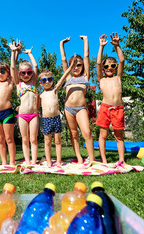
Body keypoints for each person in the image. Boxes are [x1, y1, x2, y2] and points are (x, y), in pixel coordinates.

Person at [60, 36, 95, 164]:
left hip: (81, 109)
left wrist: (86, 40)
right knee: (73, 134)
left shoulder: (85, 77)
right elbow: (63, 60)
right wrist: (61, 44)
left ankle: (92, 159)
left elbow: (86, 56)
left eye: (78, 65)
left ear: (83, 67)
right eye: (73, 65)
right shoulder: (68, 76)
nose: (76, 67)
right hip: (68, 109)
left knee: (87, 132)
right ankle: (79, 158)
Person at [38, 56, 78, 167]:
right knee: (47, 141)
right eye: (44, 80)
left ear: (53, 80)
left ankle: (59, 161)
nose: (47, 82)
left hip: (56, 118)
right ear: (40, 83)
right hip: (46, 119)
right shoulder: (40, 95)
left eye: (49, 79)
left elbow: (64, 76)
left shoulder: (55, 89)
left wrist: (71, 67)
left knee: (58, 141)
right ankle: (49, 161)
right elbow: (35, 107)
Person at [96, 33, 125, 164]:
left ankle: (121, 160)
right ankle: (104, 160)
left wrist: (117, 46)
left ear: (115, 68)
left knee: (119, 136)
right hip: (105, 109)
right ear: (103, 69)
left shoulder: (118, 77)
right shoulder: (101, 79)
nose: (109, 68)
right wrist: (101, 46)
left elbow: (122, 60)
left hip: (118, 109)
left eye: (112, 66)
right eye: (106, 66)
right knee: (103, 136)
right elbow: (97, 63)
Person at [10, 42, 39, 165]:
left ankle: (33, 161)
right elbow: (12, 67)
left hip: (34, 115)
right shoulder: (18, 84)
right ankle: (27, 161)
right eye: (23, 73)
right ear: (19, 74)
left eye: (28, 72)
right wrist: (13, 52)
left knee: (33, 139)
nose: (26, 75)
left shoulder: (33, 83)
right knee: (25, 139)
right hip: (22, 115)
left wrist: (30, 54)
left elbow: (36, 66)